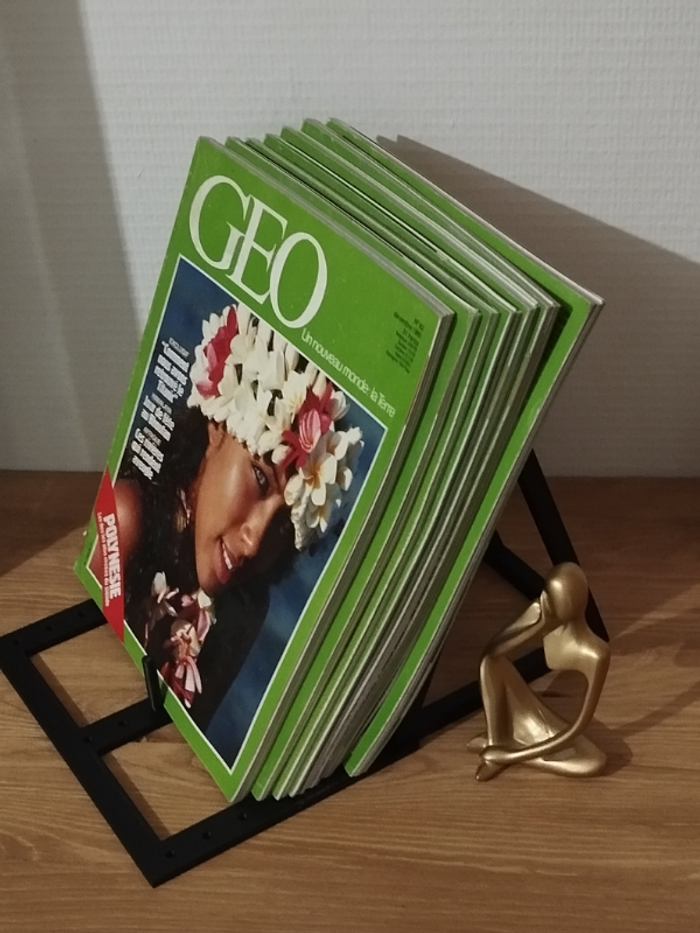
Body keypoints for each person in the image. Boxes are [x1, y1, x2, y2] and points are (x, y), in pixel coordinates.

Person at [92, 301, 363, 729]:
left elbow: (182, 738)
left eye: (285, 525)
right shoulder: (126, 516)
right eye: (259, 478)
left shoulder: (244, 608)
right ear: (217, 425)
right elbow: (89, 680)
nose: (254, 542)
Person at [468, 562, 610, 781]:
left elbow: (577, 728)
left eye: (551, 598)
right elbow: (491, 654)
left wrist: (512, 756)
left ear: (567, 604)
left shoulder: (595, 655)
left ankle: (505, 748)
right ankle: (498, 740)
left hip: (562, 736)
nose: (542, 600)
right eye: (545, 594)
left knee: (593, 761)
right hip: (532, 721)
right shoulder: (544, 613)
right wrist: (539, 621)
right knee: (490, 663)